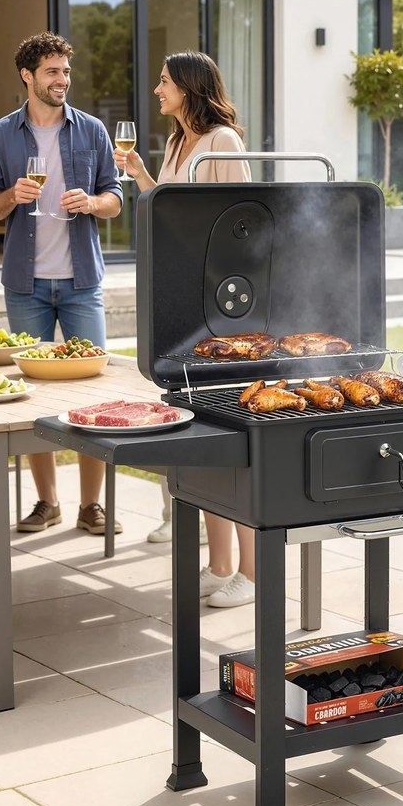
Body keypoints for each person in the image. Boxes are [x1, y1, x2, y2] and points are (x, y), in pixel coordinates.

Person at [116, 50, 256, 608]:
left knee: (230, 439)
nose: (157, 89)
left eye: (165, 81)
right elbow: (170, 211)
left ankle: (252, 573)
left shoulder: (223, 141)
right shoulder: (177, 142)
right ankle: (219, 565)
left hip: (219, 304)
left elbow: (243, 218)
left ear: (190, 87)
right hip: (181, 298)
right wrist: (142, 177)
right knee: (200, 437)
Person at [0, 32, 123, 535]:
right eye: (52, 72)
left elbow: (115, 198)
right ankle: (48, 502)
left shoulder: (92, 130)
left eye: (66, 71)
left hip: (82, 283)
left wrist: (93, 203)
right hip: (26, 284)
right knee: (33, 399)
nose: (62, 80)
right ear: (28, 76)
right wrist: (11, 196)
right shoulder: (1, 134)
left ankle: (91, 505)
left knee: (91, 396)